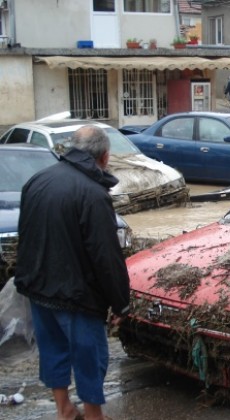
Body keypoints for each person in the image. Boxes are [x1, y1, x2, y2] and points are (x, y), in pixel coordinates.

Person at [14, 125, 130, 420]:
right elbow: (106, 256)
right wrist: (120, 302)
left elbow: (24, 237)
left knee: (53, 350)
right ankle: (93, 414)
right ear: (103, 157)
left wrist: (26, 281)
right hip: (77, 296)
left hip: (38, 289)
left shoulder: (37, 181)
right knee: (90, 356)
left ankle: (63, 408)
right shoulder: (93, 194)